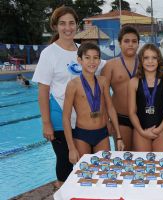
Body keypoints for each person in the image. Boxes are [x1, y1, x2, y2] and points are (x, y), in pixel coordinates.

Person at [31, 6, 105, 187]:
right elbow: (43, 90)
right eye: (62, 23)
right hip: (58, 117)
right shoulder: (49, 53)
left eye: (71, 23)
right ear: (55, 26)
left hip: (80, 119)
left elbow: (106, 67)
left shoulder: (82, 50)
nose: (68, 27)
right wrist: (46, 122)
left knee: (83, 164)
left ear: (77, 25)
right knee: (65, 161)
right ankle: (62, 190)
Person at [63, 43, 124, 164]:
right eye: (87, 57)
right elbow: (66, 117)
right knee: (85, 174)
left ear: (99, 60)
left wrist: (118, 136)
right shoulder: (73, 85)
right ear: (79, 60)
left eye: (95, 57)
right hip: (82, 135)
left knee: (105, 169)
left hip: (102, 134)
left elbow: (110, 108)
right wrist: (71, 148)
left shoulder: (103, 81)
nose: (92, 61)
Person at [128, 43, 163, 152]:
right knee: (143, 165)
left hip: (161, 129)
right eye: (146, 58)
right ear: (141, 60)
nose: (150, 61)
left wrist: (158, 130)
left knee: (161, 164)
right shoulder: (133, 82)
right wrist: (141, 131)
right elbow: (131, 112)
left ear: (159, 60)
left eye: (154, 58)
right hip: (141, 130)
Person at [101, 26, 140, 150]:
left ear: (138, 44)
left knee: (142, 157)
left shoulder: (146, 64)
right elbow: (103, 95)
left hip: (142, 117)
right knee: (124, 158)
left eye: (134, 41)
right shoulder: (110, 65)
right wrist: (106, 121)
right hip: (120, 118)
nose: (130, 44)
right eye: (126, 41)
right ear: (120, 43)